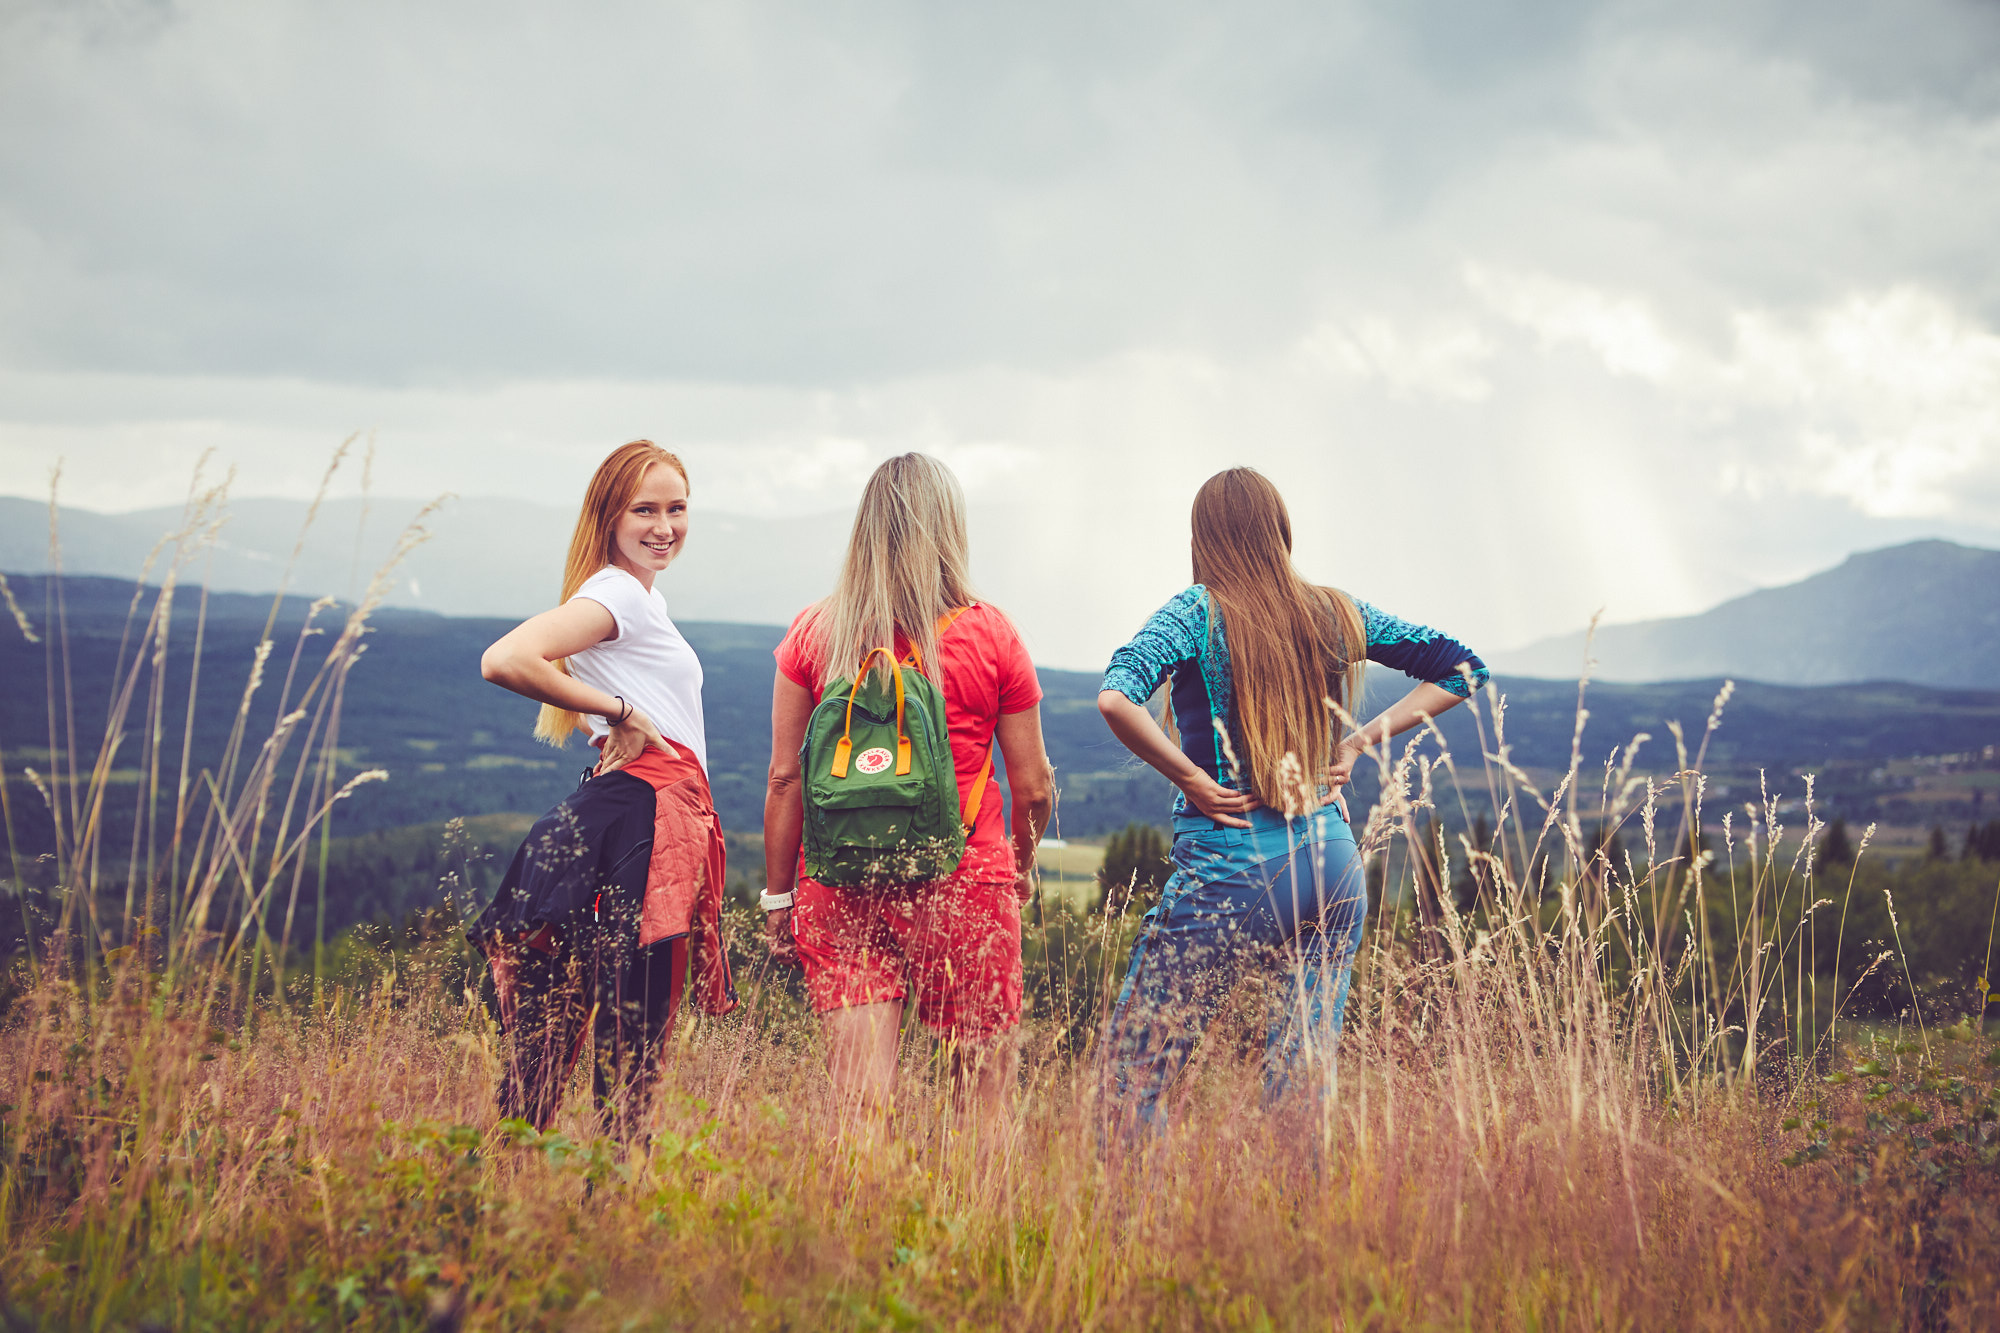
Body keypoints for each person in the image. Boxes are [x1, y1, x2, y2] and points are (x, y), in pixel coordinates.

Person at [1096, 466, 1488, 1129]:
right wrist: (1359, 740)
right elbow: (1463, 668)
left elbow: (1115, 695)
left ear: (1205, 538)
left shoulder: (1196, 611)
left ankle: (1137, 1227)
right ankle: (1298, 1223)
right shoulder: (1335, 611)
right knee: (1302, 1079)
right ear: (1280, 532)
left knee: (1132, 1076)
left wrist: (1190, 778)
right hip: (1330, 859)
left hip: (1231, 863)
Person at [761, 453, 1054, 1131]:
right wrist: (1019, 866)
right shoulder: (992, 633)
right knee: (980, 1108)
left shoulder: (814, 633)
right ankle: (971, 1232)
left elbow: (785, 778)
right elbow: (1033, 785)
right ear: (949, 530)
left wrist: (780, 900)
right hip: (964, 881)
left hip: (840, 886)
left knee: (859, 1108)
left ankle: (859, 1233)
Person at [471, 440, 735, 1139]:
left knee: (562, 1027)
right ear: (609, 517)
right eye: (643, 509)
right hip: (645, 814)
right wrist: (621, 711)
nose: (665, 526)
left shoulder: (637, 595)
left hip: (623, 812)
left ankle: (512, 1194)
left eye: (677, 508)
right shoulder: (619, 592)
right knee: (634, 1029)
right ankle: (611, 1205)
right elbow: (504, 659)